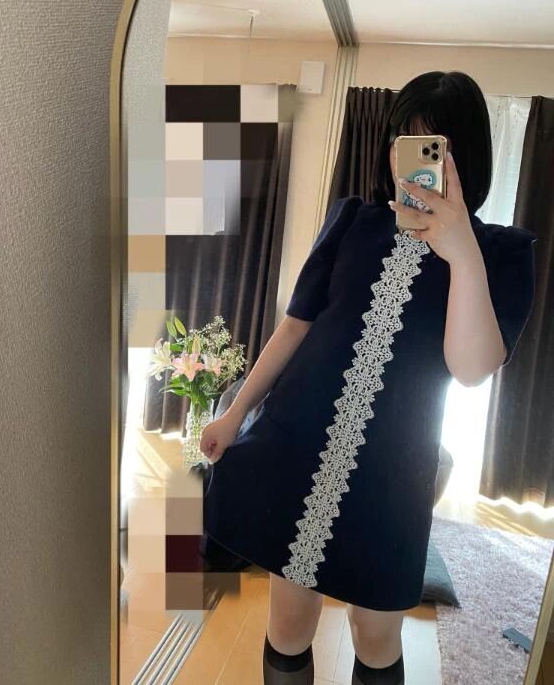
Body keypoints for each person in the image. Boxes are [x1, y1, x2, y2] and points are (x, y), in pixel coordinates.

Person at [199, 71, 537, 685]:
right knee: (289, 621)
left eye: (435, 146)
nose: (416, 165)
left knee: (376, 633)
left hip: (392, 473)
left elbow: (470, 370)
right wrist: (234, 413)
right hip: (296, 443)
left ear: (465, 157)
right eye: (404, 142)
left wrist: (461, 251)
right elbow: (295, 326)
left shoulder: (502, 254)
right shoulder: (353, 220)